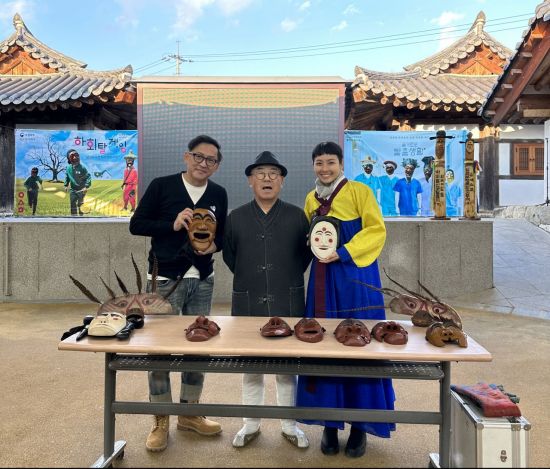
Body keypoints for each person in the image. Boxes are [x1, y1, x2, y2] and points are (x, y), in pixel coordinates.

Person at [295, 141, 395, 459]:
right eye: (319, 163)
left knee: (359, 344)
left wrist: (345, 251)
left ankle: (359, 426)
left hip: (356, 277)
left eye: (331, 162)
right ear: (313, 166)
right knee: (322, 344)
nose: (325, 168)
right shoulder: (310, 199)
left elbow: (376, 230)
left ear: (341, 164)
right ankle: (329, 423)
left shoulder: (360, 192)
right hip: (322, 279)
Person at [129, 135, 228, 452]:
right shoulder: (162, 186)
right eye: (198, 156)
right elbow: (136, 224)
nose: (203, 163)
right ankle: (160, 419)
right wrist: (170, 225)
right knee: (158, 349)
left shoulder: (218, 193)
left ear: (217, 165)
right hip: (164, 280)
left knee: (199, 345)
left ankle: (189, 412)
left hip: (203, 279)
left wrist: (214, 246)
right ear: (187, 157)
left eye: (211, 160)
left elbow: (222, 235)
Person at [223, 151, 312, 449]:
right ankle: (250, 424)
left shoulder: (297, 216)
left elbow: (305, 256)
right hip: (248, 301)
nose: (267, 179)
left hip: (288, 300)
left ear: (282, 181)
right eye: (260, 173)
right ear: (250, 180)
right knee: (251, 367)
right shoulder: (235, 218)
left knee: (287, 369)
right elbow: (231, 257)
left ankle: (290, 425)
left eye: (274, 174)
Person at [64, 149, 92, 216]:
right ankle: (74, 217)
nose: (75, 157)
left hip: (81, 189)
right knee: (72, 203)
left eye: (77, 155)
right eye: (73, 156)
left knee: (80, 204)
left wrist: (86, 186)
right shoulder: (68, 168)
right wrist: (66, 185)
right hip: (73, 189)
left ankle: (81, 218)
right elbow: (67, 176)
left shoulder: (82, 168)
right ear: (69, 158)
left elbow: (88, 176)